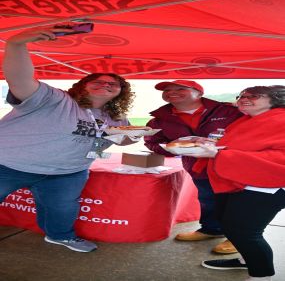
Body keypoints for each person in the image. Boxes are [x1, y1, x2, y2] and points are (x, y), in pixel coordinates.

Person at [0, 27, 136, 253]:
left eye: (113, 85)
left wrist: (128, 129)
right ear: (82, 85)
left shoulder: (114, 117)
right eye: (98, 82)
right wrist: (16, 44)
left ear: (120, 92)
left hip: (68, 172)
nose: (106, 85)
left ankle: (60, 236)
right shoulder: (53, 98)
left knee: (62, 208)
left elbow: (125, 141)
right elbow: (19, 79)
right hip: (8, 165)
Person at [187, 86, 285, 281]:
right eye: (242, 96)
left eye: (254, 95)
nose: (244, 99)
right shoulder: (248, 120)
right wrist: (209, 144)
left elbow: (280, 158)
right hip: (238, 180)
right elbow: (241, 146)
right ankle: (245, 260)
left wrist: (218, 154)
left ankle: (262, 275)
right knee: (228, 224)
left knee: (245, 232)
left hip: (268, 185)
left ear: (276, 98)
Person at [144, 79, 243, 254]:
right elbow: (153, 142)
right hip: (197, 167)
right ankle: (211, 230)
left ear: (199, 93)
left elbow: (253, 131)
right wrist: (172, 146)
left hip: (233, 166)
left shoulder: (229, 111)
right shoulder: (159, 119)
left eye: (181, 89)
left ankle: (239, 238)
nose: (172, 92)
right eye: (167, 90)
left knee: (237, 202)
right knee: (207, 200)